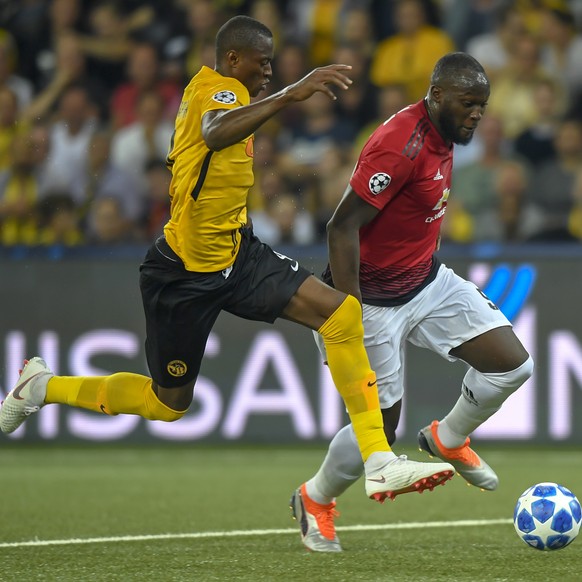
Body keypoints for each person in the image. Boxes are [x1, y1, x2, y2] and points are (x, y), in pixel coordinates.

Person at [0, 16, 454, 505]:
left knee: (341, 314)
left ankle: (379, 461)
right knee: (167, 403)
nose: (269, 73)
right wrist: (289, 94)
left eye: (273, 66)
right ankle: (42, 387)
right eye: (263, 63)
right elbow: (216, 133)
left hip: (238, 254)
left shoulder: (231, 95)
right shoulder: (219, 91)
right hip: (183, 272)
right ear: (234, 59)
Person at [290, 52, 534, 552]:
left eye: (482, 106)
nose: (477, 115)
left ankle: (448, 437)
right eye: (469, 104)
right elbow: (341, 226)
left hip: (425, 282)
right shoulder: (400, 144)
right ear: (438, 95)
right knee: (380, 430)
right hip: (371, 301)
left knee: (512, 367)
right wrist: (349, 310)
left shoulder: (445, 135)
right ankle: (314, 498)